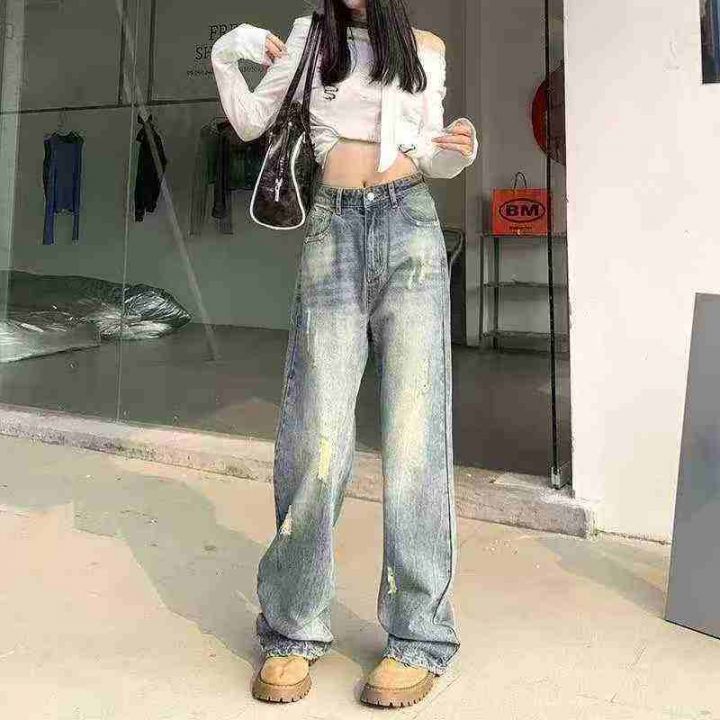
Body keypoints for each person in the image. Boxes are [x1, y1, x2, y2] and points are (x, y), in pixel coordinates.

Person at [211, 0, 478, 708]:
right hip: (334, 231)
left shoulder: (424, 46)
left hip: (411, 228)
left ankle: (418, 635)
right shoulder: (311, 37)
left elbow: (429, 154)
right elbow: (251, 122)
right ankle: (292, 627)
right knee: (315, 434)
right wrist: (228, 51)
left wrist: (457, 150)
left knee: (415, 439)